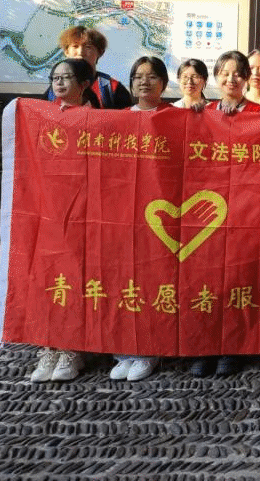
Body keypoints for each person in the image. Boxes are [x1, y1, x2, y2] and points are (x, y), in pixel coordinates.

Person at [29, 58, 97, 383]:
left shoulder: (97, 120)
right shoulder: (43, 116)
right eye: (54, 77)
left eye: (66, 77)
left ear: (84, 84)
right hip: (49, 212)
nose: (58, 82)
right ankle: (48, 348)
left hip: (84, 213)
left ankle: (72, 349)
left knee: (76, 277)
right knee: (47, 278)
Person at [110, 56, 172, 382]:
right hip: (126, 212)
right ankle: (124, 350)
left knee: (154, 280)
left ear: (163, 83)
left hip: (163, 213)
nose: (144, 82)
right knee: (125, 280)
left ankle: (150, 348)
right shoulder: (119, 119)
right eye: (138, 76)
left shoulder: (177, 118)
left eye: (151, 76)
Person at [44, 26, 133, 109]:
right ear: (66, 52)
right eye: (75, 46)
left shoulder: (112, 88)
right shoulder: (56, 87)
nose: (80, 52)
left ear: (100, 52)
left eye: (88, 47)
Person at [207, 51, 260, 115]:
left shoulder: (259, 112)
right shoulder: (208, 110)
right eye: (225, 74)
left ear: (247, 77)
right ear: (216, 76)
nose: (230, 79)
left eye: (237, 75)